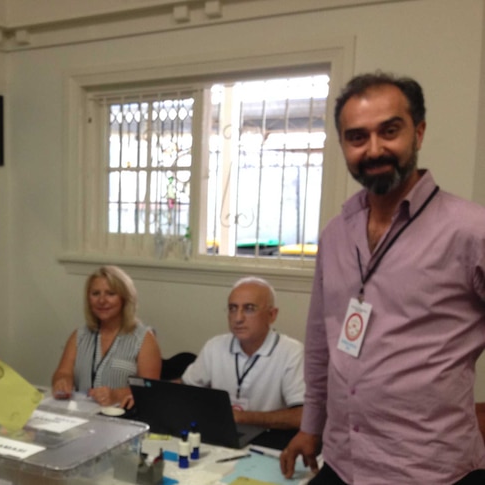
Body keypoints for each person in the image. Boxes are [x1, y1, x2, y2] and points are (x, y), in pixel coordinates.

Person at [281, 72, 485, 484]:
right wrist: (310, 426)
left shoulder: (471, 230)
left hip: (428, 471)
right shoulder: (336, 233)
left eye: (389, 131)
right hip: (343, 461)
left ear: (419, 132)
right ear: (343, 145)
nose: (374, 149)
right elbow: (322, 342)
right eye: (357, 137)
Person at [181, 277, 304, 430]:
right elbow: (185, 389)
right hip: (221, 435)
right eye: (233, 308)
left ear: (272, 315)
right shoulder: (215, 346)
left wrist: (244, 418)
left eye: (249, 308)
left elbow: (302, 416)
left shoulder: (292, 352)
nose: (238, 318)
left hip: (269, 439)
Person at [51, 265, 162, 408]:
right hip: (81, 418)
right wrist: (62, 380)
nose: (102, 301)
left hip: (124, 420)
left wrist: (118, 395)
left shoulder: (144, 339)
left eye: (110, 294)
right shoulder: (79, 336)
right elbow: (62, 372)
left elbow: (150, 389)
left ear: (125, 298)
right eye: (95, 293)